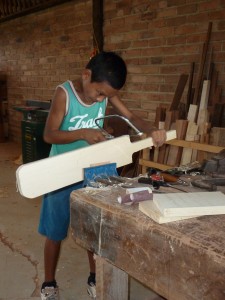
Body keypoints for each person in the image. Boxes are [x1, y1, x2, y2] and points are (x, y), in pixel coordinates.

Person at [39, 51, 166, 300]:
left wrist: (152, 130)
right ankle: (49, 283)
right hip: (61, 170)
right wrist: (83, 133)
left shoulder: (105, 92)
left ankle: (95, 277)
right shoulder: (64, 94)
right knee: (55, 230)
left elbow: (130, 117)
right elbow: (49, 135)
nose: (102, 99)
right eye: (100, 93)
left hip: (94, 166)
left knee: (94, 227)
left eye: (106, 96)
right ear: (86, 76)